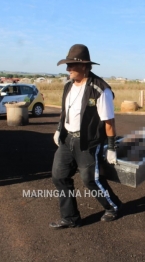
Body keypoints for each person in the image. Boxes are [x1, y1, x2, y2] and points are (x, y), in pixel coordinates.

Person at [50, 44, 121, 229]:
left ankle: (112, 206)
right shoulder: (68, 87)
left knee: (90, 179)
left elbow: (109, 122)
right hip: (67, 140)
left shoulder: (100, 90)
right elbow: (64, 112)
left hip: (88, 142)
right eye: (67, 65)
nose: (68, 69)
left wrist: (111, 148)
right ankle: (70, 217)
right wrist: (59, 129)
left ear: (84, 66)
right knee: (59, 176)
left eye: (72, 65)